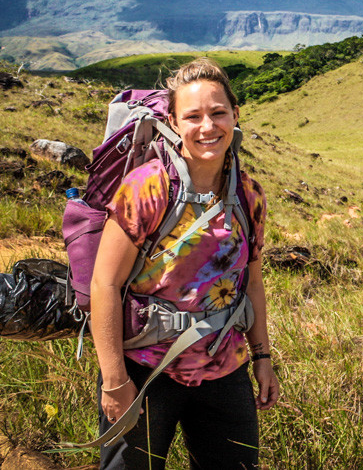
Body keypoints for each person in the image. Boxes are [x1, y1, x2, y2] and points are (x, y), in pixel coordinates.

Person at [90, 58, 280, 470]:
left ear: (235, 116)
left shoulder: (249, 195)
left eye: (218, 113)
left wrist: (262, 358)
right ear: (174, 122)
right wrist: (114, 380)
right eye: (193, 116)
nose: (207, 127)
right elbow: (103, 284)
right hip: (144, 372)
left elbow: (252, 281)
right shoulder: (147, 188)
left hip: (226, 369)